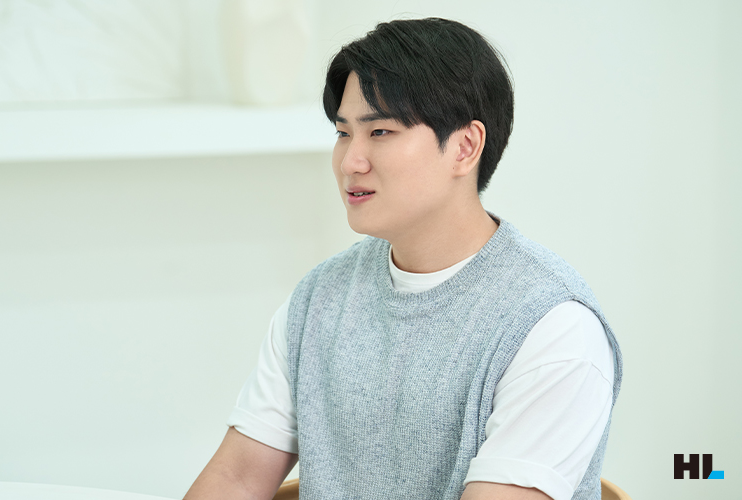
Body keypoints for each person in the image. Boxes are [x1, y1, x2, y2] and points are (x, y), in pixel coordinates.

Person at [184, 17, 622, 500]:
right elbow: (237, 478)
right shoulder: (318, 299)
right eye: (343, 133)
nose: (350, 161)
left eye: (380, 132)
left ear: (465, 147)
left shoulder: (552, 327)